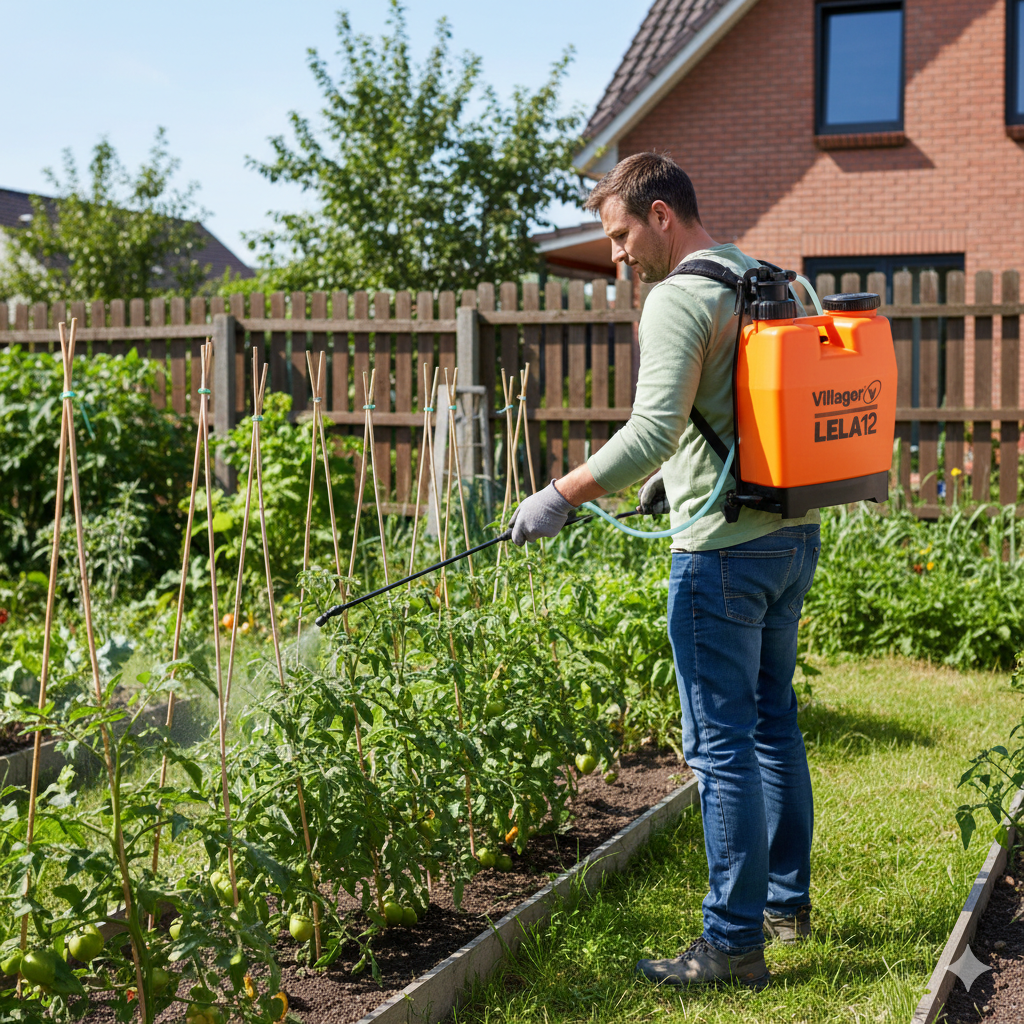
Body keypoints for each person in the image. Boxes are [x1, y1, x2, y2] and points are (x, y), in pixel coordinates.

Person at [508, 152, 819, 991]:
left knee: (721, 748)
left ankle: (732, 945)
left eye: (620, 235)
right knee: (773, 722)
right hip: (791, 537)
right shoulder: (772, 279)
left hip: (721, 556)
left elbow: (651, 429)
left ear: (661, 215)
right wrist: (675, 476)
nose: (617, 255)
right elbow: (738, 408)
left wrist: (559, 494)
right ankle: (785, 905)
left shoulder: (678, 296)